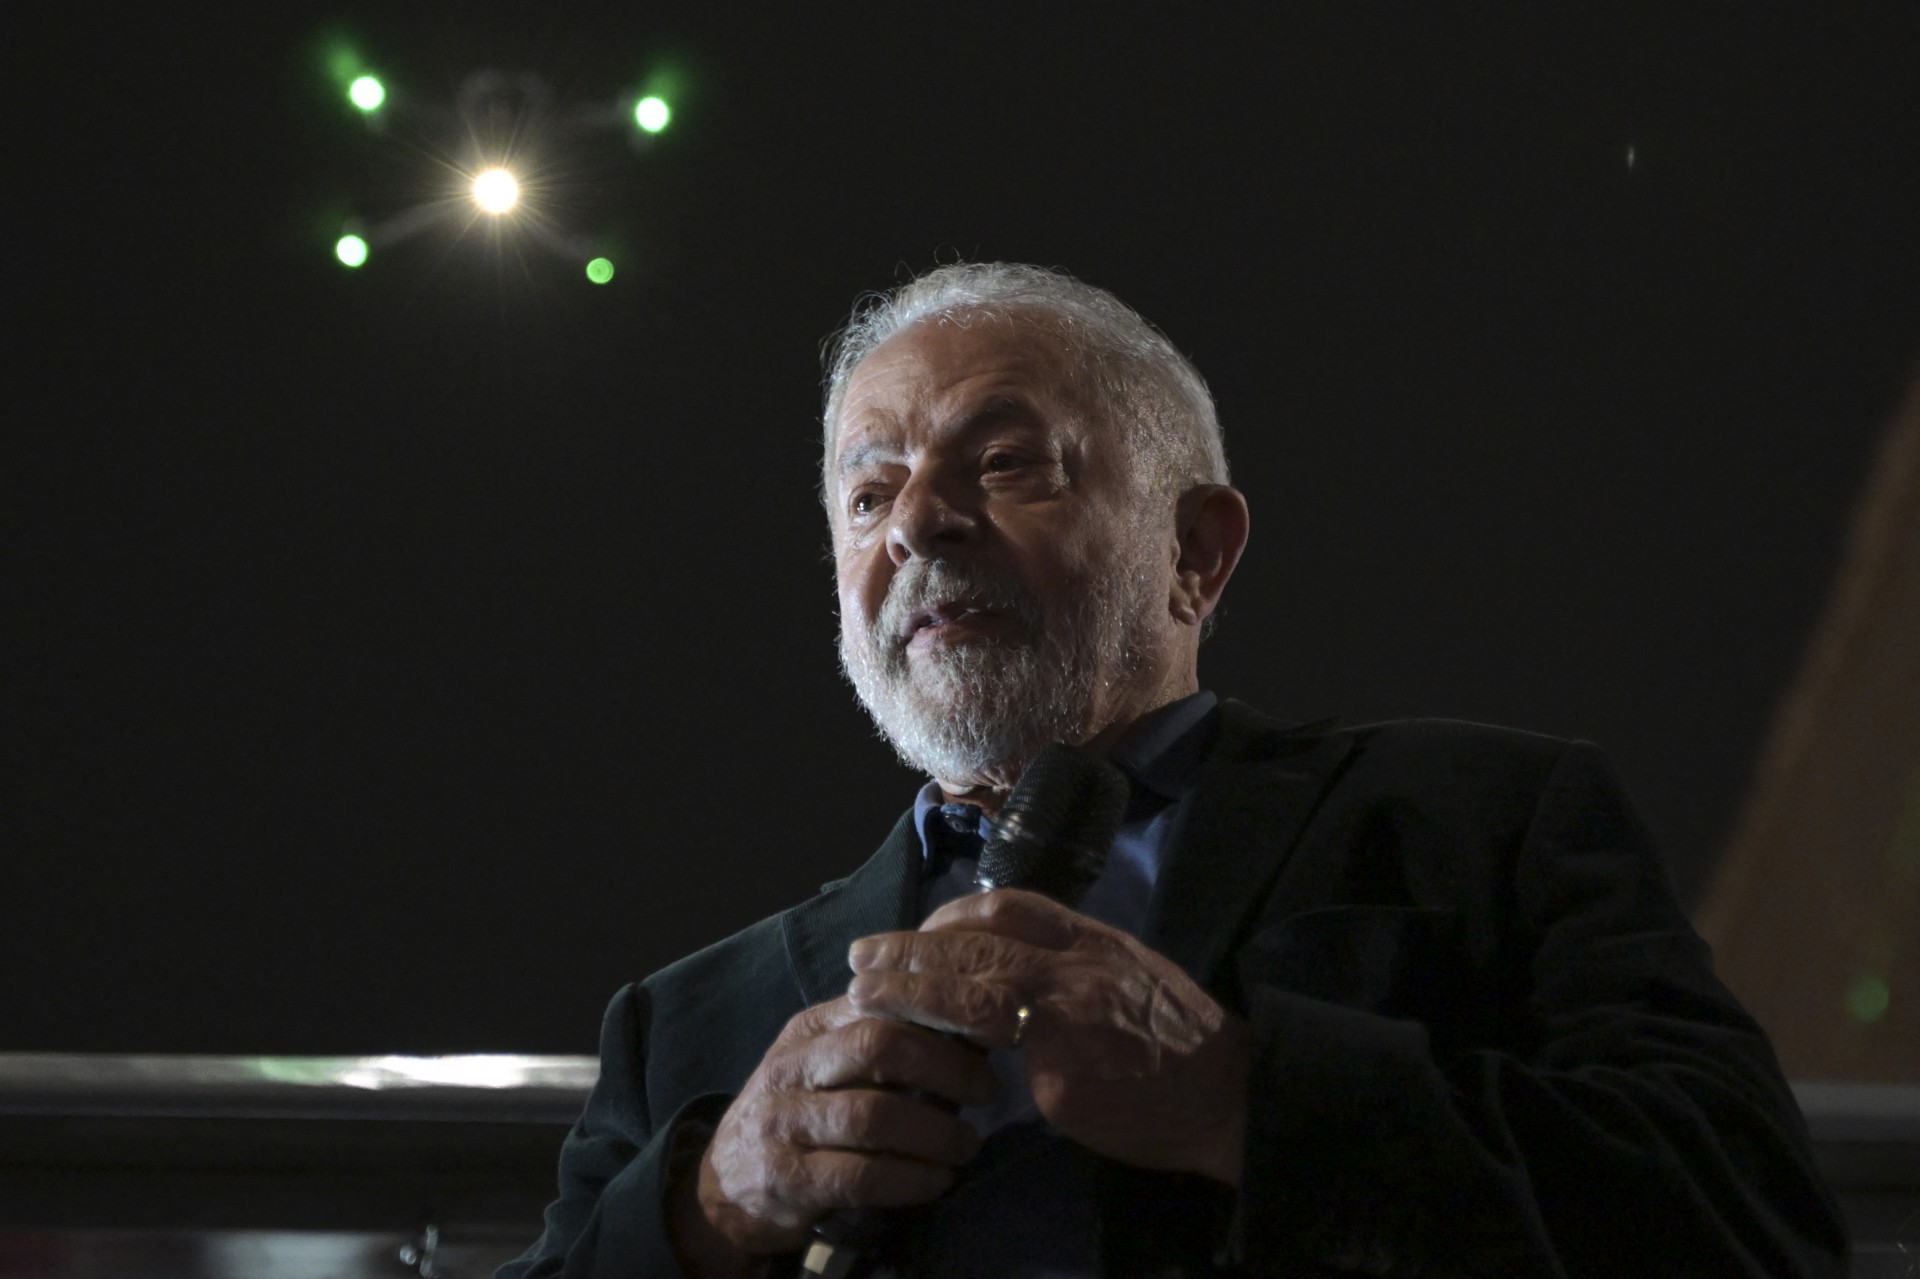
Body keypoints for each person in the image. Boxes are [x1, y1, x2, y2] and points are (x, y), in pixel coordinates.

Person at [501, 263, 1847, 1277]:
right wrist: (709, 1206)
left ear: (1195, 553)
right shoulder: (687, 1025)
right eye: (868, 493)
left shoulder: (1484, 825)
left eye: (1003, 461)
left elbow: (1755, 1226)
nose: (918, 522)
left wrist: (1243, 1099)